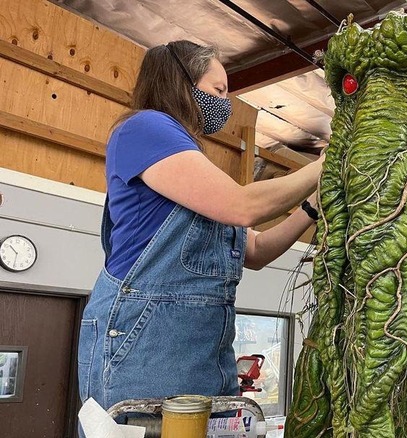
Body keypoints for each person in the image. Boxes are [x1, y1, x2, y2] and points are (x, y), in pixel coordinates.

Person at [77, 40, 324, 416]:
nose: (225, 102)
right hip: (146, 340)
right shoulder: (145, 127)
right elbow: (243, 206)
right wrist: (323, 164)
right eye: (218, 90)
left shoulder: (192, 168)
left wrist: (311, 208)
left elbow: (255, 252)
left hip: (202, 350)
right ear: (180, 81)